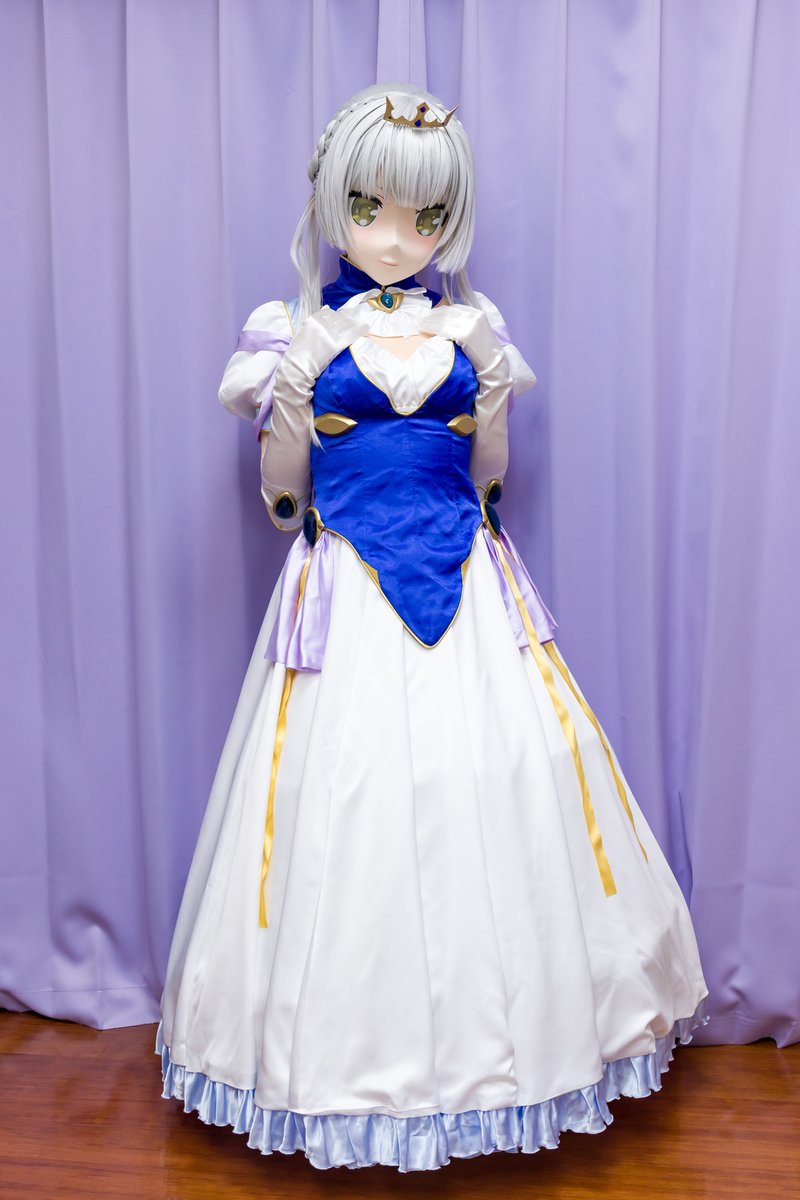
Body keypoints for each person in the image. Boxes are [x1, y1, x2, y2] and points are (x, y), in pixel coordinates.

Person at [155, 82, 708, 1173]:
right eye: (369, 209)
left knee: (489, 789)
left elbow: (483, 473)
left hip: (463, 572)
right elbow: (287, 492)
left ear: (450, 221)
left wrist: (471, 420)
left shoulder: (471, 327)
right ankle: (356, 1065)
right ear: (334, 205)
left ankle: (509, 1053)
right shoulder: (293, 332)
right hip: (348, 582)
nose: (395, 237)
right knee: (348, 803)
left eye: (426, 216)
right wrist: (301, 422)